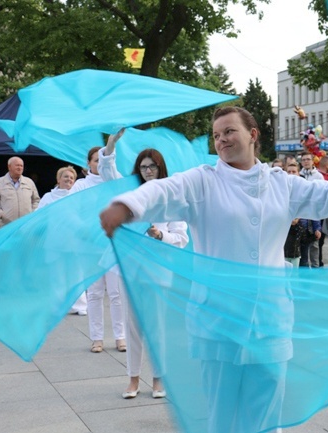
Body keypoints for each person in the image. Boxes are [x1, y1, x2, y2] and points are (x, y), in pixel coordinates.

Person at [99, 106, 328, 433]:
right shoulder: (203, 180)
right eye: (217, 135)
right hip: (217, 319)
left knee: (266, 413)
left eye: (229, 131)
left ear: (253, 134)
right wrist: (127, 205)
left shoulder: (282, 184)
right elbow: (164, 190)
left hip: (270, 318)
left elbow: (326, 197)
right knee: (222, 414)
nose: (222, 140)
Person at [98, 132, 189, 400]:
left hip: (159, 269)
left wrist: (162, 235)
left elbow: (181, 237)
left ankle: (159, 378)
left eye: (152, 166)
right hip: (131, 268)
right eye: (143, 166)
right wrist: (111, 146)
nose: (148, 171)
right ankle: (133, 379)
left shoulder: (172, 197)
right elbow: (108, 174)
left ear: (161, 168)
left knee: (157, 325)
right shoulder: (131, 193)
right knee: (133, 324)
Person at [69, 147, 126, 353]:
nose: (98, 164)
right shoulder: (80, 185)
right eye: (94, 161)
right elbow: (71, 211)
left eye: (100, 160)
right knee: (94, 293)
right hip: (90, 246)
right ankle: (97, 338)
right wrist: (85, 230)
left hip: (112, 244)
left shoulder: (114, 182)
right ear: (88, 164)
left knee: (116, 293)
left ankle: (121, 336)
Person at [37, 166, 88, 316]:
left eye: (72, 178)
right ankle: (59, 306)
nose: (69, 180)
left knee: (76, 274)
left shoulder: (78, 196)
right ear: (58, 179)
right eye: (65, 177)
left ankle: (80, 306)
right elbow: (38, 216)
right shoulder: (48, 197)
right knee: (57, 275)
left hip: (74, 242)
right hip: (55, 242)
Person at [0, 157, 40, 227]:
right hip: (7, 226)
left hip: (26, 225)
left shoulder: (29, 182)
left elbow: (36, 200)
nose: (20, 168)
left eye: (21, 166)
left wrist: (32, 214)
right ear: (9, 167)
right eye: (17, 165)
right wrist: (2, 215)